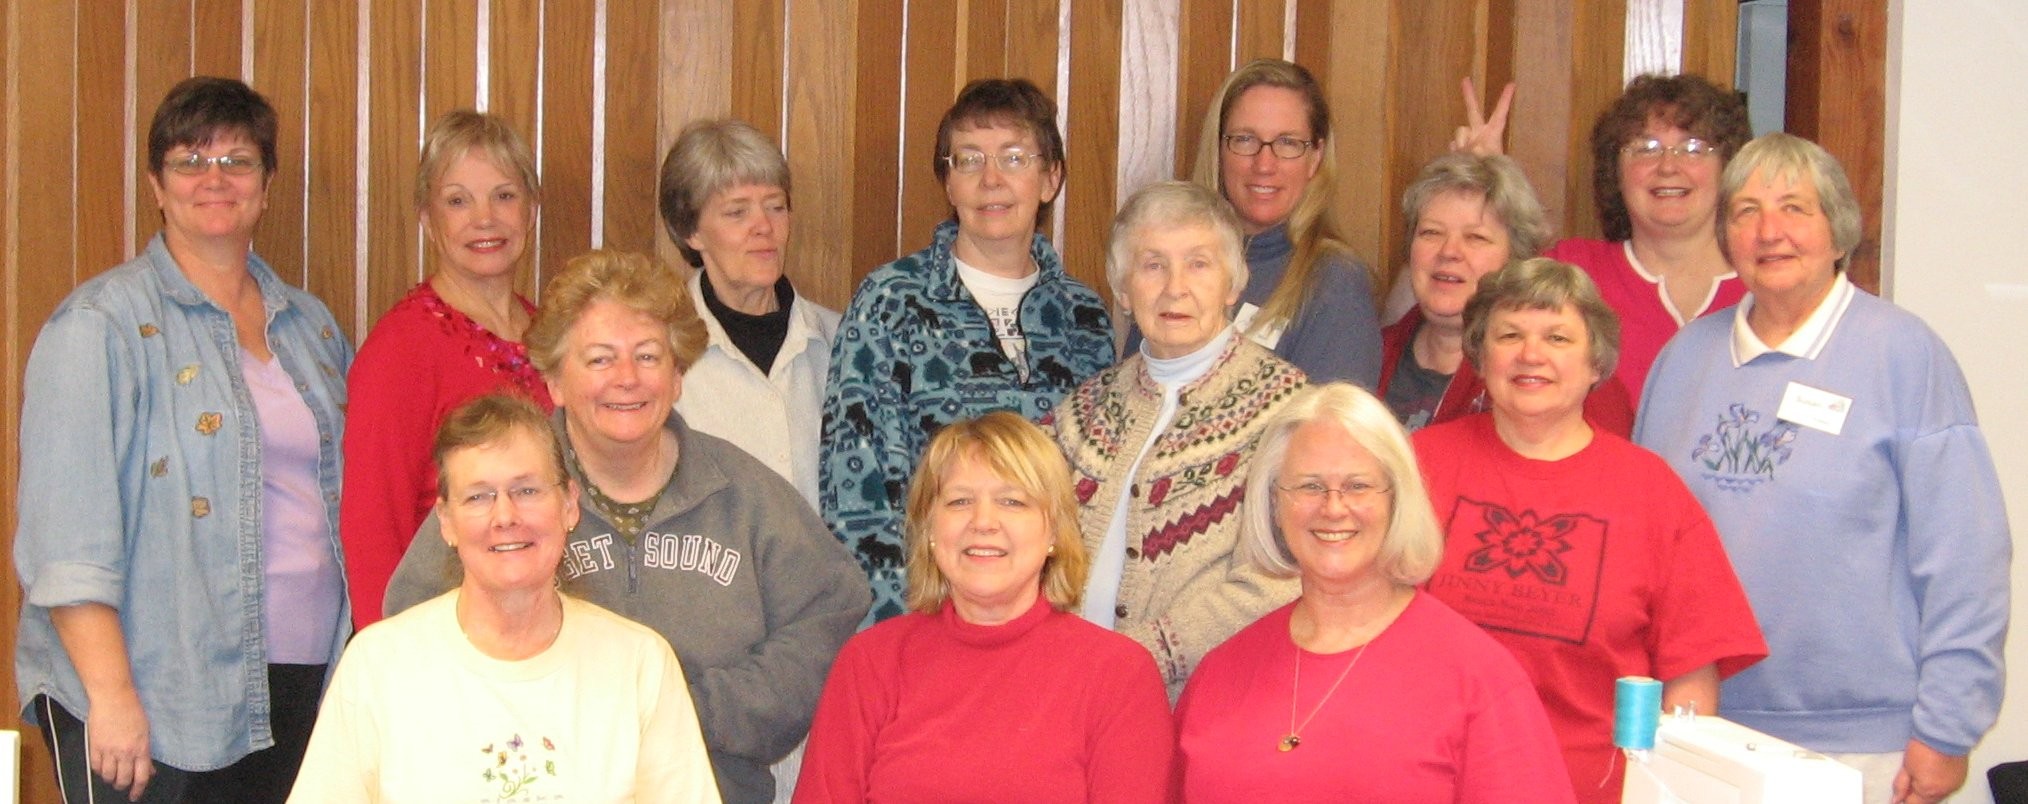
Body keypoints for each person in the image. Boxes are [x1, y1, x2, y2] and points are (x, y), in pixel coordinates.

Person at [386, 251, 869, 804]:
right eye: (598, 360)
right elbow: (414, 627)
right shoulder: (501, 497)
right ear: (555, 381)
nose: (627, 379)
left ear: (679, 374)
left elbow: (832, 611)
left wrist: (691, 709)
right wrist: (539, 717)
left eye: (648, 356)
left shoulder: (744, 494)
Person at [1634, 133, 2010, 804]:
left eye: (1794, 208)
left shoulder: (1905, 355)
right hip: (1699, 733)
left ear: (1838, 233)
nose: (1769, 231)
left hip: (1866, 746)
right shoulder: (1684, 361)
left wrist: (1948, 727)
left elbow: (1965, 558)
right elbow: (1645, 548)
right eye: (1746, 211)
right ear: (1726, 237)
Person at [14, 76, 351, 803]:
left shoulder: (313, 327)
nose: (215, 180)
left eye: (237, 161)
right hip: (159, 688)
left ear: (266, 186)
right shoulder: (98, 326)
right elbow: (64, 540)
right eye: (190, 162)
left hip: (302, 680)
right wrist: (112, 698)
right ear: (156, 187)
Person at [1412, 257, 1766, 803]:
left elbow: (1692, 676)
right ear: (1480, 355)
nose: (1532, 355)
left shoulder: (1652, 492)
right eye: (1510, 335)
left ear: (1596, 362)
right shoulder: (1414, 466)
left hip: (1595, 789)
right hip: (1428, 779)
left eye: (1557, 337)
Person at [291, 395, 718, 802]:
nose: (505, 516)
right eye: (478, 496)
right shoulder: (378, 665)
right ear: (447, 522)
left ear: (569, 505)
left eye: (527, 490)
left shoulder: (640, 664)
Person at [1177, 383, 1572, 803]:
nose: (1332, 507)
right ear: (1274, 504)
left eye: (1358, 486)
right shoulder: (1221, 672)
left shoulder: (1478, 678)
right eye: (1309, 486)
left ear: (1398, 499)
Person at [821, 78, 1114, 624]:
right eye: (969, 159)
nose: (992, 180)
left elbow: (1092, 498)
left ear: (1050, 179)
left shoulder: (1084, 317)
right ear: (949, 183)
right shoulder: (891, 301)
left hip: (1052, 625)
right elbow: (856, 494)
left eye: (1015, 157)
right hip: (928, 620)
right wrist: (900, 632)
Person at [794, 412, 1174, 803]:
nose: (983, 521)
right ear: (929, 531)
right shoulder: (869, 663)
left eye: (1012, 501)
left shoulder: (1120, 675)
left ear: (1055, 532)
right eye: (960, 501)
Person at [1051, 181, 1307, 696]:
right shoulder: (1081, 411)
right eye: (1152, 265)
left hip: (1201, 702)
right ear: (1123, 290)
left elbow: (1278, 579)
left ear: (1233, 284)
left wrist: (1145, 657)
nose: (1175, 288)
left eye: (1198, 264)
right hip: (1066, 692)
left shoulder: (1290, 409)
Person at [341, 109, 552, 629]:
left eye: (504, 195)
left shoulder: (555, 336)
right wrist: (386, 662)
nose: (486, 218)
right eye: (458, 200)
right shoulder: (399, 351)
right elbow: (372, 528)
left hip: (550, 630)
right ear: (428, 219)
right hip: (443, 641)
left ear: (531, 210)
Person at [1379, 152, 1633, 433]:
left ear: (1517, 259)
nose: (1449, 252)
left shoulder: (1567, 377)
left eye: (1476, 237)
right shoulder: (1369, 353)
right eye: (1431, 233)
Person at [659, 118, 838, 509]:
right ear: (690, 230)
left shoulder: (841, 339)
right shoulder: (657, 349)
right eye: (737, 212)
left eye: (775, 207)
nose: (764, 227)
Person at [1544, 74, 1754, 401]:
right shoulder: (1570, 271)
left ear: (1728, 168)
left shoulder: (1767, 285)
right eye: (1646, 148)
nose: (1669, 166)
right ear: (1616, 172)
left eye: (1694, 148)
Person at [1183, 58, 1382, 387]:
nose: (1264, 164)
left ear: (1315, 158)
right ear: (1219, 149)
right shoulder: (1174, 262)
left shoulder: (1336, 282)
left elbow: (1332, 430)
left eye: (1287, 143)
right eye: (1245, 140)